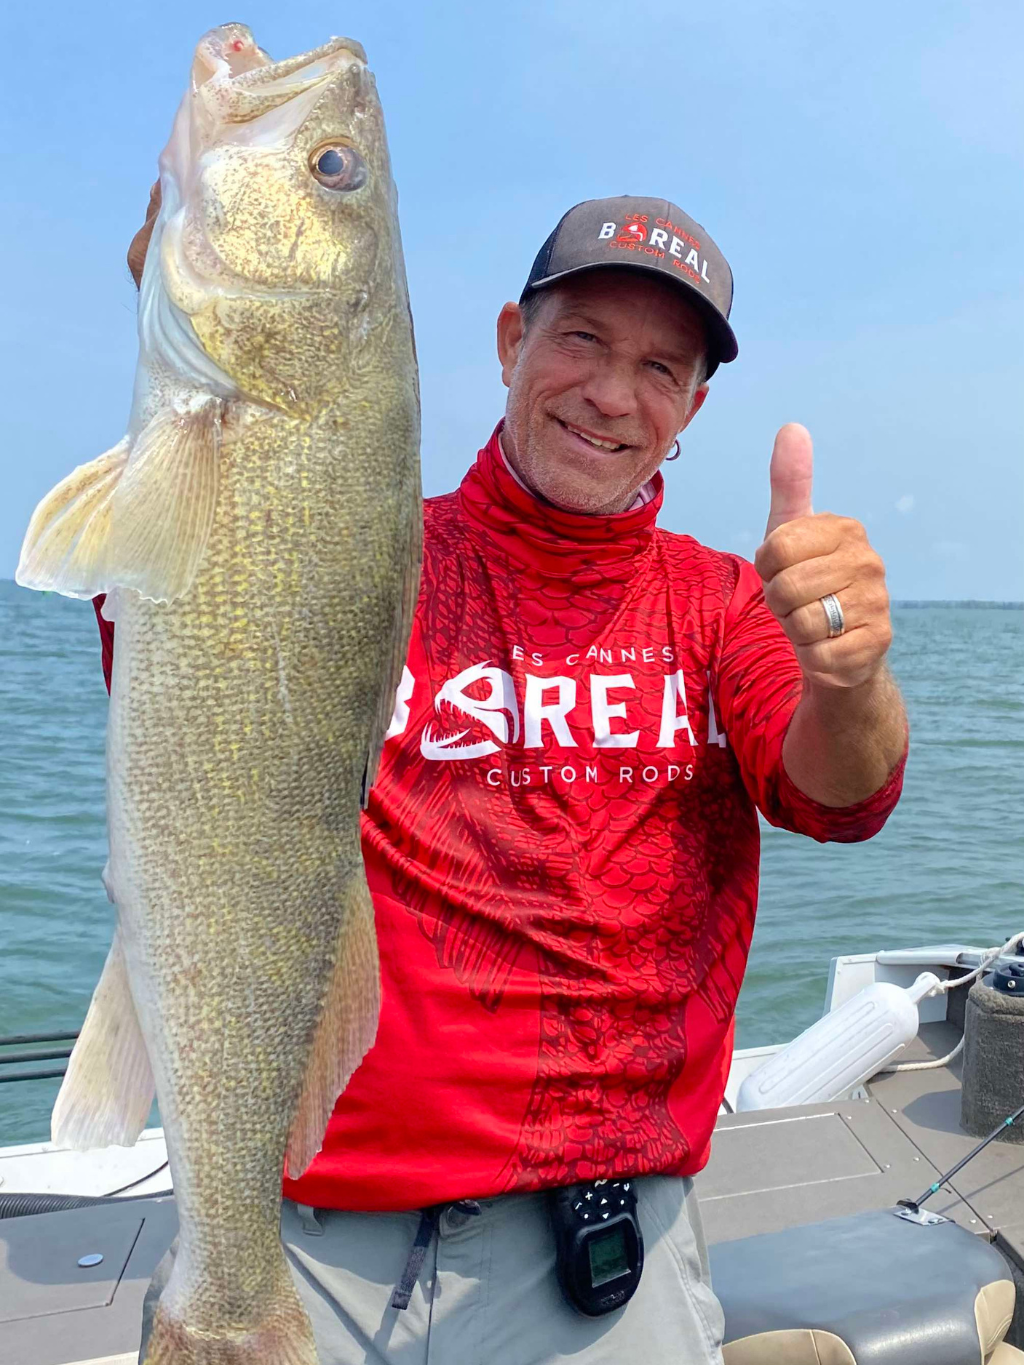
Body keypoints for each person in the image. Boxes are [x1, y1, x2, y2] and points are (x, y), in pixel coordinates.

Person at [104, 194, 907, 1364]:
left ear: (690, 411)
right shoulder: (356, 555)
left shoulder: (721, 603)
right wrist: (204, 398)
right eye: (579, 338)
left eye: (659, 367)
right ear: (506, 345)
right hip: (305, 1228)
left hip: (601, 1250)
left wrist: (847, 680)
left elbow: (841, 799)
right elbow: (186, 657)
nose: (610, 393)